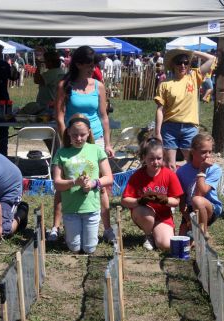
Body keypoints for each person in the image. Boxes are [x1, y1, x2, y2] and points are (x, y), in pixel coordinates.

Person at [53, 45, 115, 243]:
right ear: (78, 64)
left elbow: (104, 117)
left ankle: (107, 228)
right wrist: (65, 139)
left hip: (94, 138)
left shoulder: (98, 86)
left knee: (100, 184)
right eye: (89, 65)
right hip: (72, 137)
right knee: (64, 184)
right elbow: (60, 115)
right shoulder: (65, 85)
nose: (92, 68)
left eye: (93, 64)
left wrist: (107, 143)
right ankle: (56, 226)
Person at [52, 114, 113, 254]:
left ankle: (95, 233)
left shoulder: (96, 150)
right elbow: (57, 183)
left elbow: (108, 178)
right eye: (74, 135)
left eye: (82, 135)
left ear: (89, 133)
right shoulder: (61, 153)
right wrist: (75, 182)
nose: (78, 138)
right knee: (74, 248)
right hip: (70, 209)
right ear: (68, 133)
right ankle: (69, 232)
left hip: (91, 208)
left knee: (89, 249)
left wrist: (93, 183)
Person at [154, 48, 216, 171]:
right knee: (170, 165)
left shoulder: (193, 77)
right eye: (179, 62)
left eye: (186, 62)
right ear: (173, 64)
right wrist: (157, 132)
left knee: (192, 163)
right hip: (169, 128)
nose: (183, 65)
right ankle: (176, 190)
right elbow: (160, 110)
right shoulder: (165, 84)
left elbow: (211, 59)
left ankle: (190, 189)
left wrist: (192, 52)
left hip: (190, 127)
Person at [121, 138, 183, 251]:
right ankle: (148, 234)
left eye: (159, 158)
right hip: (144, 214)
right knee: (145, 212)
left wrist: (163, 200)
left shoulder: (169, 175)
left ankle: (156, 232)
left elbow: (176, 201)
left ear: (163, 156)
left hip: (163, 216)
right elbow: (124, 200)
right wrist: (139, 201)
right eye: (151, 159)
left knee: (166, 245)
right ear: (144, 158)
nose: (156, 162)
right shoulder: (138, 175)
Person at [176, 133, 222, 240]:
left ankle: (203, 232)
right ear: (193, 152)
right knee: (183, 240)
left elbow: (201, 192)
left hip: (209, 207)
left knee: (197, 200)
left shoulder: (214, 169)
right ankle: (195, 234)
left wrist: (202, 170)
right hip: (191, 209)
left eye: (210, 151)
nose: (208, 155)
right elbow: (182, 200)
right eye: (203, 152)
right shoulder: (182, 171)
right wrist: (187, 219)